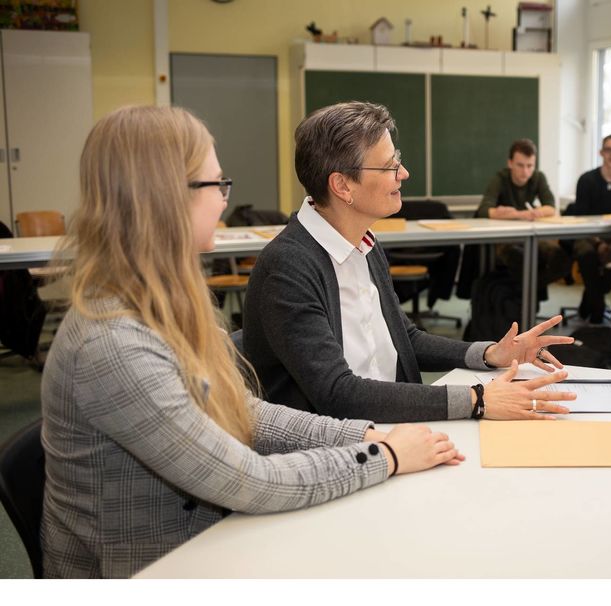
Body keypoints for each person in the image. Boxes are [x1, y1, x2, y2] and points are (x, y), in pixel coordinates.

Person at [40, 106, 465, 579]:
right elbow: (244, 480)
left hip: (210, 539)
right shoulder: (112, 344)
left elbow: (243, 411)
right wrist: (384, 456)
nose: (224, 201)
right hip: (153, 569)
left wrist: (366, 435)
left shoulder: (165, 301)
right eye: (216, 185)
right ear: (163, 198)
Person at [244, 102, 575, 424]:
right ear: (342, 185)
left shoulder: (365, 244)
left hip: (398, 426)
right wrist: (478, 399)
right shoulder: (288, 267)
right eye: (389, 166)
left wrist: (490, 354)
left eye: (397, 160)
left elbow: (405, 338)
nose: (403, 173)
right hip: (341, 450)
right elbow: (337, 393)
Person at [474, 138, 572, 296]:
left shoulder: (538, 177)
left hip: (533, 236)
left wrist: (537, 212)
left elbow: (551, 207)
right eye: (520, 165)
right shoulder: (500, 178)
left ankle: (527, 292)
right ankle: (522, 297)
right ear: (510, 163)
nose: (525, 172)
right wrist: (521, 214)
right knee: (519, 258)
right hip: (506, 239)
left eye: (530, 166)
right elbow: (484, 210)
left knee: (561, 260)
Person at [566, 134, 611, 323]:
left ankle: (589, 298)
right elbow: (581, 219)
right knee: (586, 254)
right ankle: (597, 308)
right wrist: (598, 244)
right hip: (587, 236)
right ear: (601, 152)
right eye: (609, 150)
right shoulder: (586, 180)